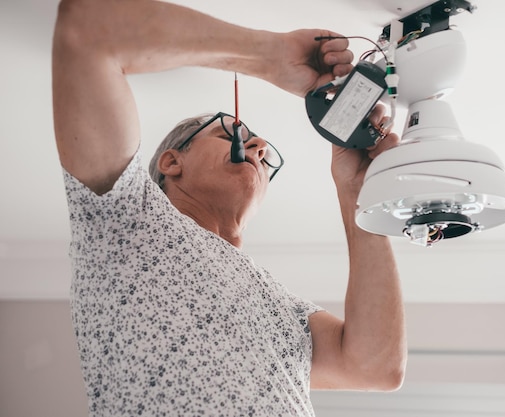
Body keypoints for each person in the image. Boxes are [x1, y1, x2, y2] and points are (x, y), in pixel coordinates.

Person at [52, 0, 406, 416]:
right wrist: (268, 56)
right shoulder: (128, 220)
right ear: (171, 162)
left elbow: (375, 367)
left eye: (261, 149)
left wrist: (358, 192)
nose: (258, 147)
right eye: (232, 136)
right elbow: (89, 29)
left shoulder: (280, 304)